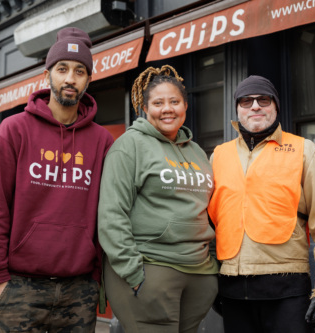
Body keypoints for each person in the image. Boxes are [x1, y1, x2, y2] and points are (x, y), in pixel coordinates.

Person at [0, 27, 114, 333]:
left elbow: (110, 212)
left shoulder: (102, 141)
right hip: (21, 287)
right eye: (62, 69)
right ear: (47, 74)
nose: (70, 78)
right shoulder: (14, 131)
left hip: (78, 289)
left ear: (88, 80)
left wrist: (95, 277)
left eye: (80, 71)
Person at [208, 75, 315, 332]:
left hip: (287, 290)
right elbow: (208, 223)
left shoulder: (304, 150)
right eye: (246, 101)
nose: (255, 106)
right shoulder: (218, 156)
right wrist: (211, 282)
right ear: (237, 109)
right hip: (233, 291)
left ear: (276, 106)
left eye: (264, 99)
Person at [97, 65, 218, 333]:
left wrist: (213, 265)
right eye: (158, 102)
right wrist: (133, 273)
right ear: (145, 107)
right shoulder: (130, 146)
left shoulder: (197, 151)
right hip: (150, 269)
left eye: (174, 101)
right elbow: (111, 214)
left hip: (199, 273)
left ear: (185, 105)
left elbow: (208, 210)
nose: (167, 109)